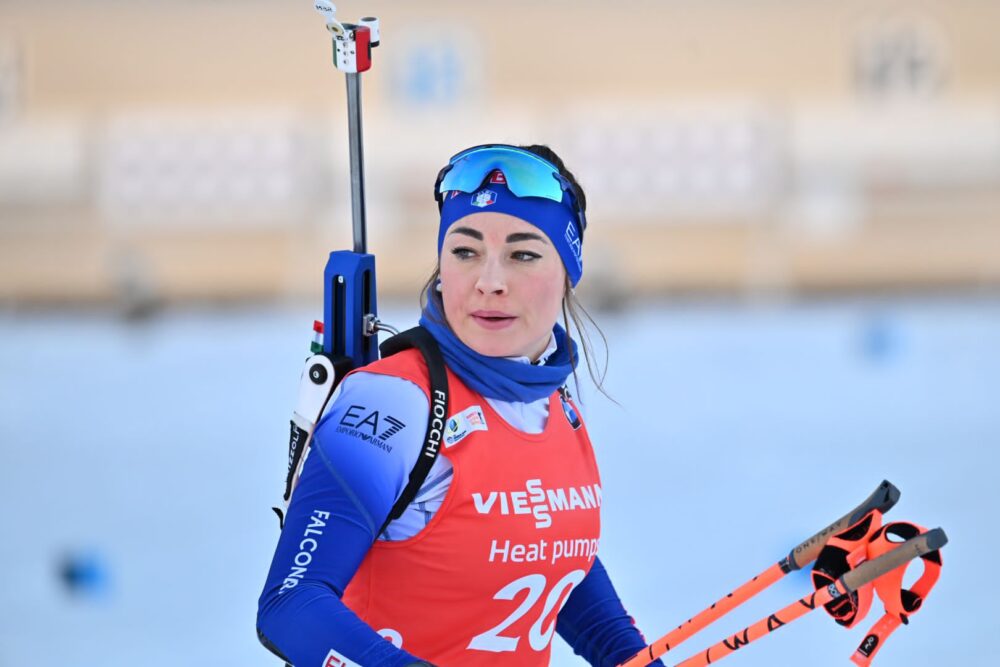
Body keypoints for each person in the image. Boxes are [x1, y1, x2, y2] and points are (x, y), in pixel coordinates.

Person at [257, 144, 663, 667]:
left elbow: (553, 562)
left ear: (568, 271)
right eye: (465, 252)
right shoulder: (395, 402)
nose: (488, 282)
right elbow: (291, 607)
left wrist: (629, 657)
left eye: (523, 254)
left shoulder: (551, 401)